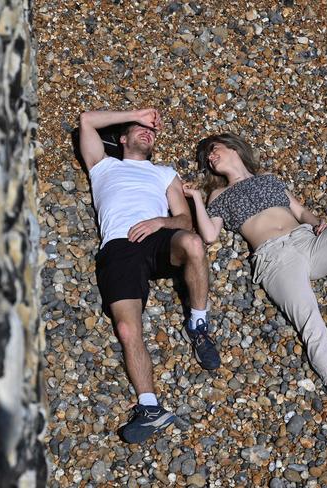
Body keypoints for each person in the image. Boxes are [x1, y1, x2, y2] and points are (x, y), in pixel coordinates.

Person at [183, 133, 327, 427]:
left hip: (308, 242)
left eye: (213, 150)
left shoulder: (269, 179)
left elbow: (299, 211)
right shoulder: (218, 196)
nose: (210, 158)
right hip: (274, 258)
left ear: (234, 147)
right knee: (309, 321)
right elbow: (209, 236)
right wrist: (197, 199)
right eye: (207, 159)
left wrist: (317, 222)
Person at [78, 108, 221, 443]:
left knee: (194, 244)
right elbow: (86, 120)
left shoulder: (164, 173)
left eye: (152, 131)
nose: (148, 132)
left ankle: (198, 323)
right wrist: (137, 112)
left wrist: (160, 222)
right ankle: (150, 408)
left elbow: (184, 220)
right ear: (122, 138)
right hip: (118, 246)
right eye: (139, 129)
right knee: (127, 328)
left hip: (158, 238)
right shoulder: (103, 165)